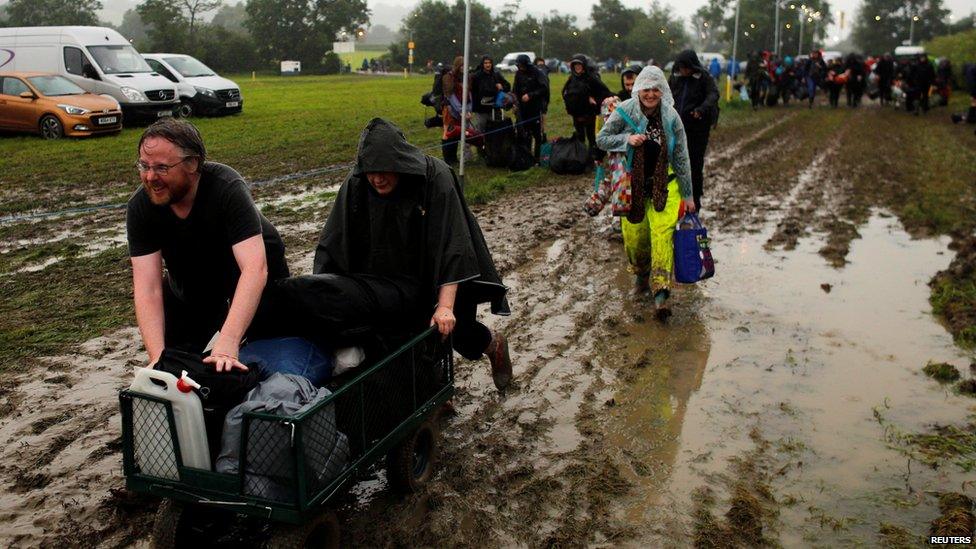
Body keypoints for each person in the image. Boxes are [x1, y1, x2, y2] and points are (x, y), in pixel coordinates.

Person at [312, 118, 513, 390]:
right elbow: (335, 240)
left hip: (438, 270)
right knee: (398, 338)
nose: (377, 178)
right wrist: (325, 296)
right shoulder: (357, 183)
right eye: (370, 171)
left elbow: (451, 243)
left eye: (384, 170)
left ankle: (494, 345)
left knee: (454, 330)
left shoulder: (436, 178)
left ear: (400, 162)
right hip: (389, 275)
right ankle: (434, 392)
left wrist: (444, 306)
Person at [126, 118, 290, 372]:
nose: (150, 177)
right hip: (194, 288)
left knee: (260, 362)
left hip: (254, 284)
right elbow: (148, 288)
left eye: (161, 168)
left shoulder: (226, 188)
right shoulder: (140, 207)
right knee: (175, 364)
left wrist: (229, 340)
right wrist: (158, 359)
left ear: (192, 164)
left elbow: (255, 269)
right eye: (144, 166)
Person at [596, 66, 695, 320]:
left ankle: (661, 293)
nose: (650, 94)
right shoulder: (625, 112)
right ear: (638, 89)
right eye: (646, 89)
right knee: (636, 239)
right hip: (633, 187)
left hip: (666, 184)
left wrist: (688, 194)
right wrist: (626, 140)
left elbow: (681, 157)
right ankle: (641, 275)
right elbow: (602, 139)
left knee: (662, 235)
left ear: (662, 91)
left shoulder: (671, 117)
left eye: (655, 90)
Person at [669, 49, 718, 212]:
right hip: (676, 127)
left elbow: (713, 95)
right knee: (675, 164)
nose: (684, 71)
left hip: (697, 129)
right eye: (681, 68)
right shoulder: (675, 78)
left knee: (694, 165)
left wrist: (701, 109)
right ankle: (677, 199)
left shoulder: (704, 78)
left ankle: (695, 200)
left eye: (686, 68)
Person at [562, 53, 613, 157]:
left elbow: (605, 93)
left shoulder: (591, 78)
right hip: (576, 114)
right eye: (575, 65)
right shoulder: (571, 79)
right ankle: (581, 157)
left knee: (591, 137)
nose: (577, 67)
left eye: (579, 64)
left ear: (584, 65)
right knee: (580, 136)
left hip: (589, 113)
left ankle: (592, 157)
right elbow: (565, 92)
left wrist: (594, 100)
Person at [513, 54, 549, 162]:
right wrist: (514, 102)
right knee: (525, 134)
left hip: (535, 108)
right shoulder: (518, 74)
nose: (521, 68)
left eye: (522, 66)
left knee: (537, 135)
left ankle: (537, 157)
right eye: (519, 66)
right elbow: (515, 89)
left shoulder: (537, 73)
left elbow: (544, 89)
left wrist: (530, 95)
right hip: (522, 109)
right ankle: (527, 156)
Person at [440, 56, 472, 165]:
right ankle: (448, 159)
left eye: (465, 65)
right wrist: (460, 110)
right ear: (458, 66)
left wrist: (468, 110)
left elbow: (469, 95)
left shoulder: (466, 77)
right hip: (450, 110)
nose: (464, 68)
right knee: (448, 133)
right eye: (462, 65)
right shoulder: (448, 78)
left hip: (464, 109)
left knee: (458, 133)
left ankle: (454, 159)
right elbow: (450, 96)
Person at [470, 55, 511, 132]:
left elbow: (507, 86)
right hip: (481, 108)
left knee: (495, 129)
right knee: (481, 128)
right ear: (482, 64)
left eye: (489, 63)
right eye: (485, 63)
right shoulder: (477, 76)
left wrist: (502, 87)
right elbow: (477, 91)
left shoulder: (496, 74)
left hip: (495, 107)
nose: (488, 65)